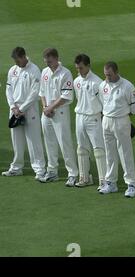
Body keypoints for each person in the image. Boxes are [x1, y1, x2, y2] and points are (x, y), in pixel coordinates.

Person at [2, 47, 46, 179]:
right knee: (16, 140)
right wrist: (13, 107)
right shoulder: (13, 70)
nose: (16, 63)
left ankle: (39, 169)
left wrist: (22, 109)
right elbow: (8, 89)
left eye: (17, 60)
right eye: (14, 60)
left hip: (29, 109)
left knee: (34, 140)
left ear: (23, 56)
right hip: (15, 110)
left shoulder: (34, 70)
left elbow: (35, 93)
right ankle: (16, 168)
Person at [38, 48, 78, 186]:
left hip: (60, 113)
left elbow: (66, 96)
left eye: (50, 61)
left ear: (56, 58)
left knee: (64, 143)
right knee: (49, 143)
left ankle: (73, 174)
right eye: (46, 61)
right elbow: (42, 92)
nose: (48, 64)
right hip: (46, 113)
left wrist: (51, 107)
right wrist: (45, 107)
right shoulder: (45, 72)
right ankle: (52, 171)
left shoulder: (65, 73)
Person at [99, 61, 135, 197]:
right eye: (105, 75)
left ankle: (131, 184)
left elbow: (134, 108)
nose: (107, 77)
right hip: (106, 120)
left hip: (122, 120)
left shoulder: (128, 86)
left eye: (109, 75)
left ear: (116, 72)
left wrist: (123, 117)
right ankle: (111, 183)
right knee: (109, 153)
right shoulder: (103, 85)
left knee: (125, 153)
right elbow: (102, 103)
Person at [73, 54, 107, 189]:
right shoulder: (76, 81)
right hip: (79, 116)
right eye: (77, 68)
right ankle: (84, 178)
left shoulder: (97, 82)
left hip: (94, 117)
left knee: (98, 149)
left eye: (81, 68)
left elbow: (104, 103)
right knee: (81, 148)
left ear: (88, 66)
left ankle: (103, 181)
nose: (79, 71)